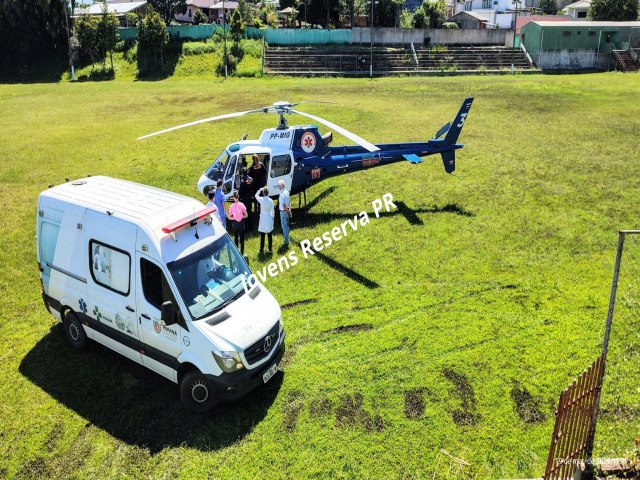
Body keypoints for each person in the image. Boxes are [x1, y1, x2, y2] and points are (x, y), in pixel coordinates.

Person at [255, 186, 275, 254]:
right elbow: (272, 211)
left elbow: (256, 195)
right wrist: (272, 218)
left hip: (263, 217)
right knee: (269, 235)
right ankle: (270, 249)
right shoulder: (271, 200)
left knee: (262, 235)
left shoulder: (261, 199)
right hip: (268, 217)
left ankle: (261, 249)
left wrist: (259, 189)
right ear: (268, 192)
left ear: (263, 192)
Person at [228, 191, 248, 255]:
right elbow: (246, 215)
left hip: (235, 224)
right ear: (238, 197)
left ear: (234, 198)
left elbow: (229, 217)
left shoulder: (232, 206)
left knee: (236, 239)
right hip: (241, 223)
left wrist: (234, 218)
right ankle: (242, 253)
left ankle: (237, 255)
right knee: (242, 240)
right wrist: (241, 217)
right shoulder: (242, 205)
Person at [278, 179, 291, 248]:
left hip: (283, 211)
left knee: (284, 227)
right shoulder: (286, 192)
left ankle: (286, 241)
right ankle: (288, 237)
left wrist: (287, 211)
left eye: (279, 185)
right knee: (287, 225)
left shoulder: (281, 194)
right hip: (287, 210)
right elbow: (289, 202)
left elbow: (283, 205)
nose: (278, 186)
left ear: (281, 185)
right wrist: (289, 211)